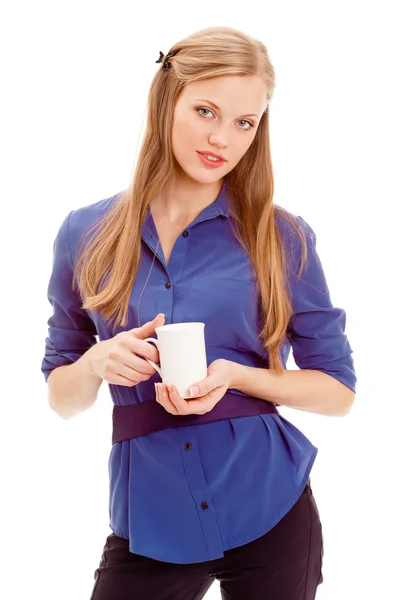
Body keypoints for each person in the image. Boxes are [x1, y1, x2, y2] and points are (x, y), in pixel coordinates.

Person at [41, 25, 357, 600]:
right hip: (151, 521)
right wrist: (95, 362)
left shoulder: (282, 237)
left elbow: (338, 392)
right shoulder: (83, 234)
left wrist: (235, 376)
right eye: (206, 110)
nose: (223, 138)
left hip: (269, 506)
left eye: (245, 122)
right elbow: (62, 397)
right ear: (167, 101)